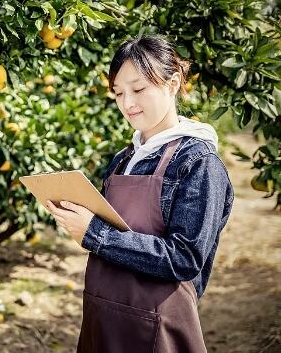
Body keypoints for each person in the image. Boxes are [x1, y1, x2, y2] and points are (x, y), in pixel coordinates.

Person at [45, 34, 234, 352]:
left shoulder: (198, 163)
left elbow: (185, 258)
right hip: (102, 315)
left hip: (156, 324)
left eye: (138, 89)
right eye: (119, 92)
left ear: (172, 84)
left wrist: (95, 234)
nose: (127, 103)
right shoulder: (123, 159)